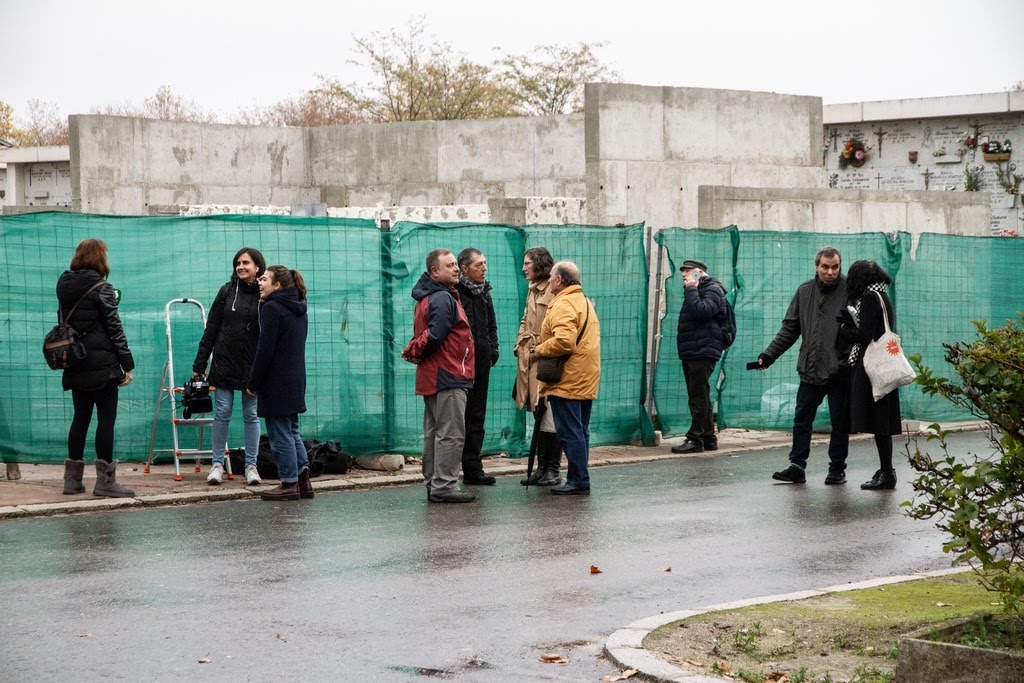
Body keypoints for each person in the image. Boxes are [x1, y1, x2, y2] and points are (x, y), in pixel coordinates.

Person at [757, 246, 851, 485]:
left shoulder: (850, 290)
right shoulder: (804, 292)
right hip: (810, 367)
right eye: (825, 267)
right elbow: (789, 329)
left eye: (835, 267)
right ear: (816, 266)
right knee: (801, 419)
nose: (830, 272)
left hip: (840, 370)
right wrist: (768, 356)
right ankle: (797, 466)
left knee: (840, 422)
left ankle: (837, 469)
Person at [57, 238, 136, 498]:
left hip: (75, 359)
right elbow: (115, 328)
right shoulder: (103, 288)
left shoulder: (64, 285)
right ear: (100, 258)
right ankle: (105, 483)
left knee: (80, 417)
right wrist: (127, 364)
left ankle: (72, 481)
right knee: (106, 419)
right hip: (103, 365)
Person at [402, 249, 477, 503]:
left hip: (433, 375)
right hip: (448, 374)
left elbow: (429, 336)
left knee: (434, 433)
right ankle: (445, 485)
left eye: (456, 264)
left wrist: (417, 350)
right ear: (435, 271)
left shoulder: (427, 297)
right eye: (449, 266)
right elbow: (436, 335)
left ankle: (434, 483)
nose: (456, 268)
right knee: (451, 433)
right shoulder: (443, 298)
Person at [192, 247, 266, 486]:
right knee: (222, 413)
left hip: (253, 365)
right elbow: (211, 329)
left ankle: (251, 467)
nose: (241, 267)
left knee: (251, 415)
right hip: (225, 362)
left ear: (257, 267)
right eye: (238, 263)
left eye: (246, 263)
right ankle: (216, 465)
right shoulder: (226, 291)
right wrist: (199, 364)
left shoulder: (265, 294)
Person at [246, 265, 311, 502]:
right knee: (292, 430)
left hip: (276, 381)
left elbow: (265, 350)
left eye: (264, 279)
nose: (259, 283)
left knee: (279, 433)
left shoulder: (272, 308)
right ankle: (303, 480)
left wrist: (254, 381)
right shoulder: (300, 309)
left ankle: (289, 483)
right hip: (295, 378)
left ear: (278, 286)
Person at [836, 260, 903, 490]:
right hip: (883, 367)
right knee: (881, 421)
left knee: (879, 422)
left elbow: (864, 335)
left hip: (874, 369)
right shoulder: (882, 295)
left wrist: (846, 328)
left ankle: (887, 472)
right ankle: (886, 469)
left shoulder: (870, 298)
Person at [536, 261, 601, 495]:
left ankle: (578, 479)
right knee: (581, 430)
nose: (550, 280)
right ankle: (579, 477)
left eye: (552, 276)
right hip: (585, 374)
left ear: (559, 280)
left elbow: (564, 341)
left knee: (570, 431)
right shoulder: (583, 301)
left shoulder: (563, 303)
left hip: (568, 379)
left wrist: (540, 349)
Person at [513, 247, 563, 486]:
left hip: (547, 360)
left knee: (550, 414)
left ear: (540, 265)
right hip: (531, 358)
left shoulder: (554, 291)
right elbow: (526, 318)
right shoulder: (533, 290)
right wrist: (519, 343)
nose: (524, 268)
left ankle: (552, 469)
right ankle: (543, 468)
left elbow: (556, 329)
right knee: (538, 411)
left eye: (527, 263)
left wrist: (536, 350)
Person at [672, 258, 729, 454]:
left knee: (698, 396)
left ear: (698, 273)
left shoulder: (711, 288)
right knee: (700, 394)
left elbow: (702, 311)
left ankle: (695, 438)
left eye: (687, 273)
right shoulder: (699, 289)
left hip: (702, 349)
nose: (684, 277)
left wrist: (691, 288)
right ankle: (708, 438)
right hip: (694, 348)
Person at [455, 248, 499, 486]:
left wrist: (493, 350)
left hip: (482, 364)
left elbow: (492, 326)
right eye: (479, 264)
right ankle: (450, 471)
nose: (484, 268)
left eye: (485, 263)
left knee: (477, 417)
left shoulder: (484, 293)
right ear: (465, 269)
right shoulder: (455, 294)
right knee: (457, 419)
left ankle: (473, 470)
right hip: (459, 367)